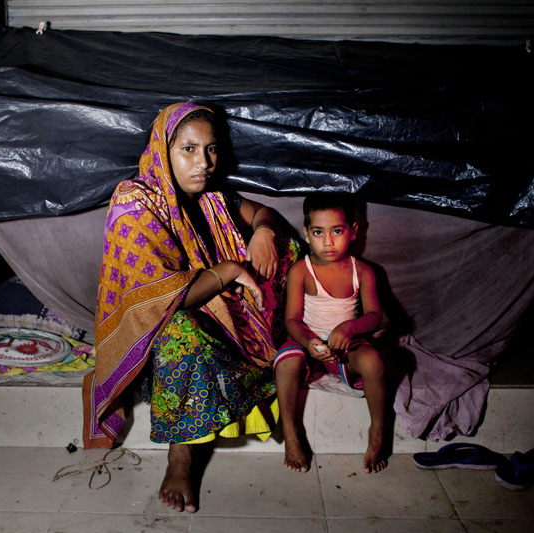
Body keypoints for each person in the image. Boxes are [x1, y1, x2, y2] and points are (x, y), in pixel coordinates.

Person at [83, 101, 296, 513]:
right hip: (154, 343)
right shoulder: (135, 201)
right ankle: (180, 456)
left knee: (288, 248)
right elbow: (163, 298)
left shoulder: (214, 200)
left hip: (219, 320)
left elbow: (262, 213)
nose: (204, 163)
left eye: (212, 149)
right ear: (164, 149)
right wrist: (231, 268)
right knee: (182, 330)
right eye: (189, 150)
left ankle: (270, 343)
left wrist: (265, 231)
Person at [274, 195, 387, 474]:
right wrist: (307, 340)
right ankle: (291, 433)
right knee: (286, 363)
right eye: (318, 232)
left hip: (346, 347)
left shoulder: (363, 271)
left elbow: (375, 316)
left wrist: (349, 328)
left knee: (374, 361)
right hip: (306, 343)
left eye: (337, 231)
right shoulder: (302, 270)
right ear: (306, 233)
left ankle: (378, 430)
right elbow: (291, 320)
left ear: (354, 231)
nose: (328, 242)